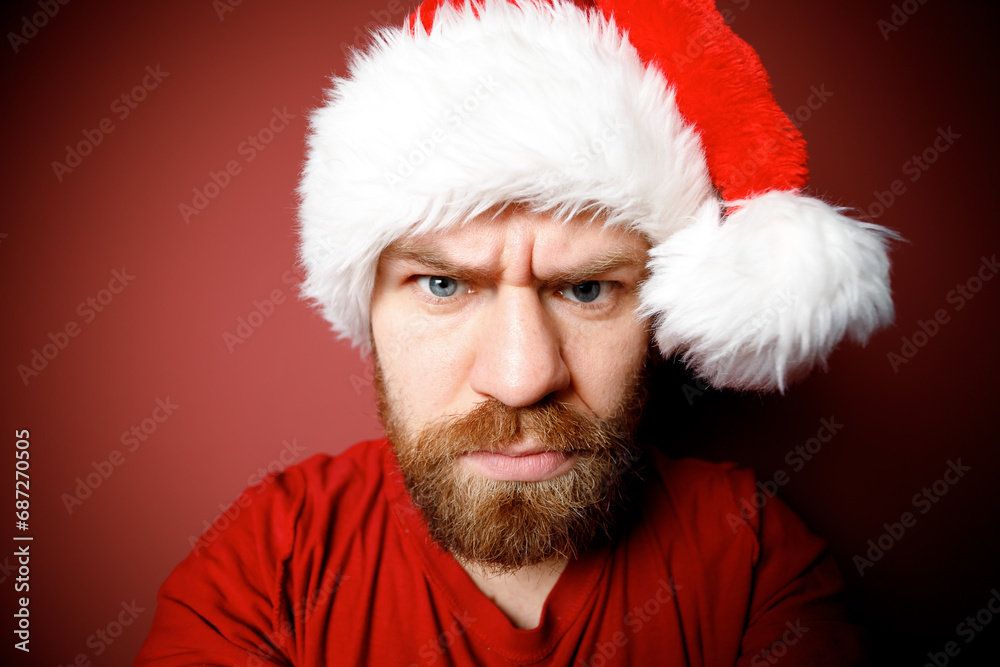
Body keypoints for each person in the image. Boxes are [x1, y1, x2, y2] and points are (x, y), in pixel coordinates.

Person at [136, 0, 895, 664]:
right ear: (366, 304)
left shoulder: (750, 558)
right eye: (444, 284)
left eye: (588, 288)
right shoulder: (273, 562)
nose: (523, 374)